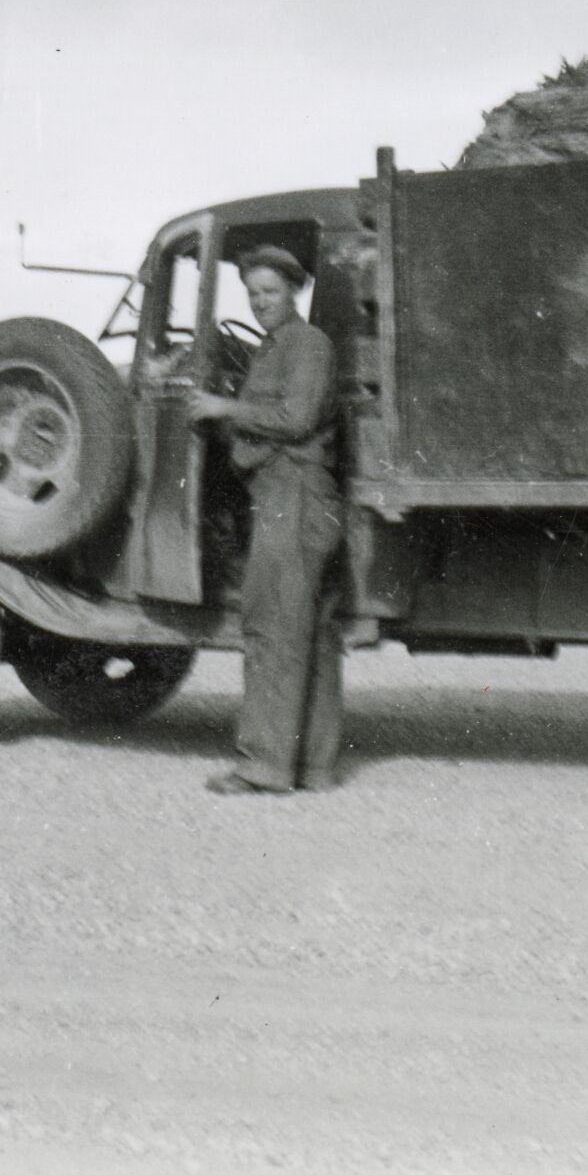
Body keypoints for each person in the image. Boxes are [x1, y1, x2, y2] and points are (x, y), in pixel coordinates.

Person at [186, 246, 344, 794]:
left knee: (272, 629)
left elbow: (295, 418)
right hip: (291, 498)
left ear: (295, 291)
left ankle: (264, 767)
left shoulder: (307, 343)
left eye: (270, 292)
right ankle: (314, 768)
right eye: (252, 294)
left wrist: (224, 410)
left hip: (294, 497)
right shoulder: (275, 348)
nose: (259, 303)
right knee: (309, 635)